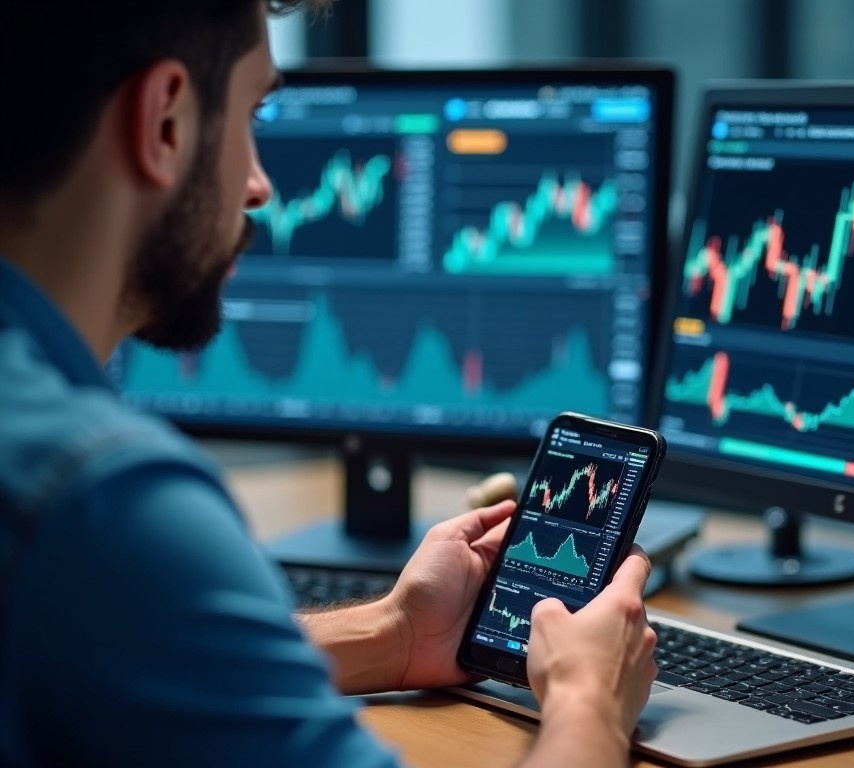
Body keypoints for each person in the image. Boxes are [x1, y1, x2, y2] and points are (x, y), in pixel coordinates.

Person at [0, 2, 658, 766]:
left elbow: (112, 649)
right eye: (251, 112)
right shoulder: (100, 503)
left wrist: (394, 634)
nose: (259, 186)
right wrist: (588, 699)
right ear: (165, 122)